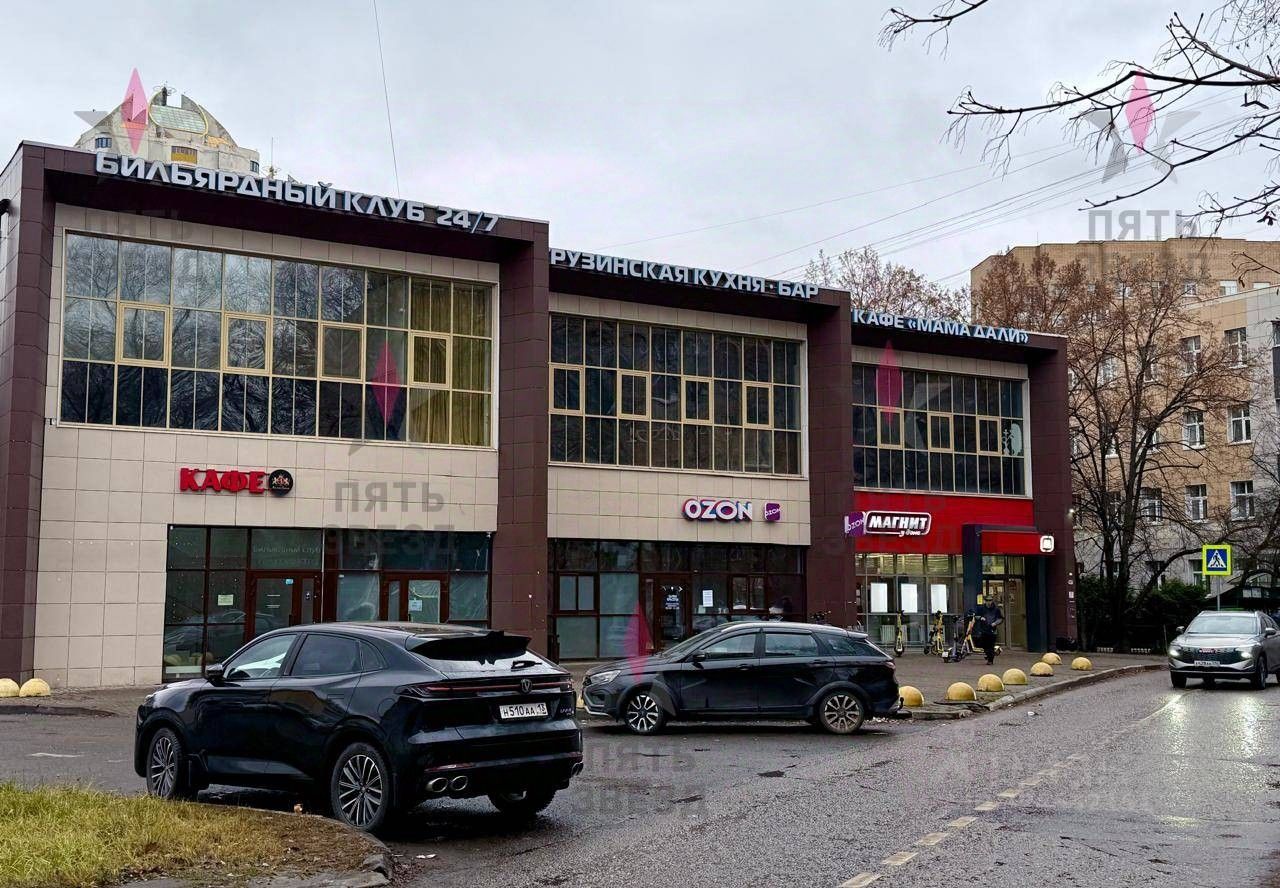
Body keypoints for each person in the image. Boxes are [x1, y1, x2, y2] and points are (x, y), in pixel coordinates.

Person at [969, 593, 1004, 665]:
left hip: (992, 630)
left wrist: (995, 623)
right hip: (984, 629)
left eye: (990, 600)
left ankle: (990, 660)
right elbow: (976, 616)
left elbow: (1000, 618)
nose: (988, 602)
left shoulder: (996, 609)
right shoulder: (981, 608)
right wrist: (980, 617)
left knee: (991, 645)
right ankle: (989, 655)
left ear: (992, 601)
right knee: (984, 644)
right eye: (987, 600)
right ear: (985, 601)